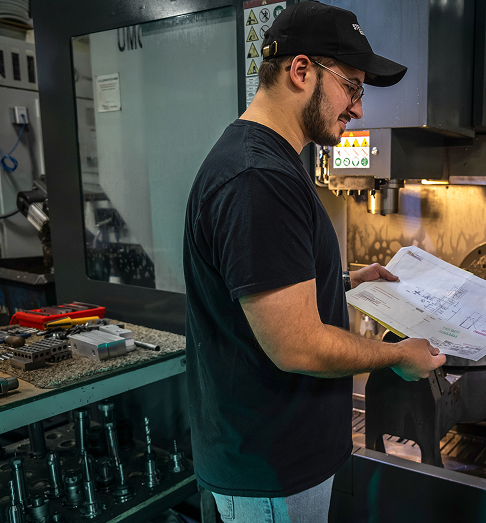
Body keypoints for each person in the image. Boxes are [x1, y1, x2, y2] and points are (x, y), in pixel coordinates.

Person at [183, 2, 446, 521]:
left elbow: (261, 286)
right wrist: (396, 355)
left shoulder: (270, 162)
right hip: (269, 471)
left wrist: (343, 280)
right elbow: (296, 344)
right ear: (301, 71)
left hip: (278, 458)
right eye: (352, 87)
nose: (359, 109)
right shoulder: (258, 177)